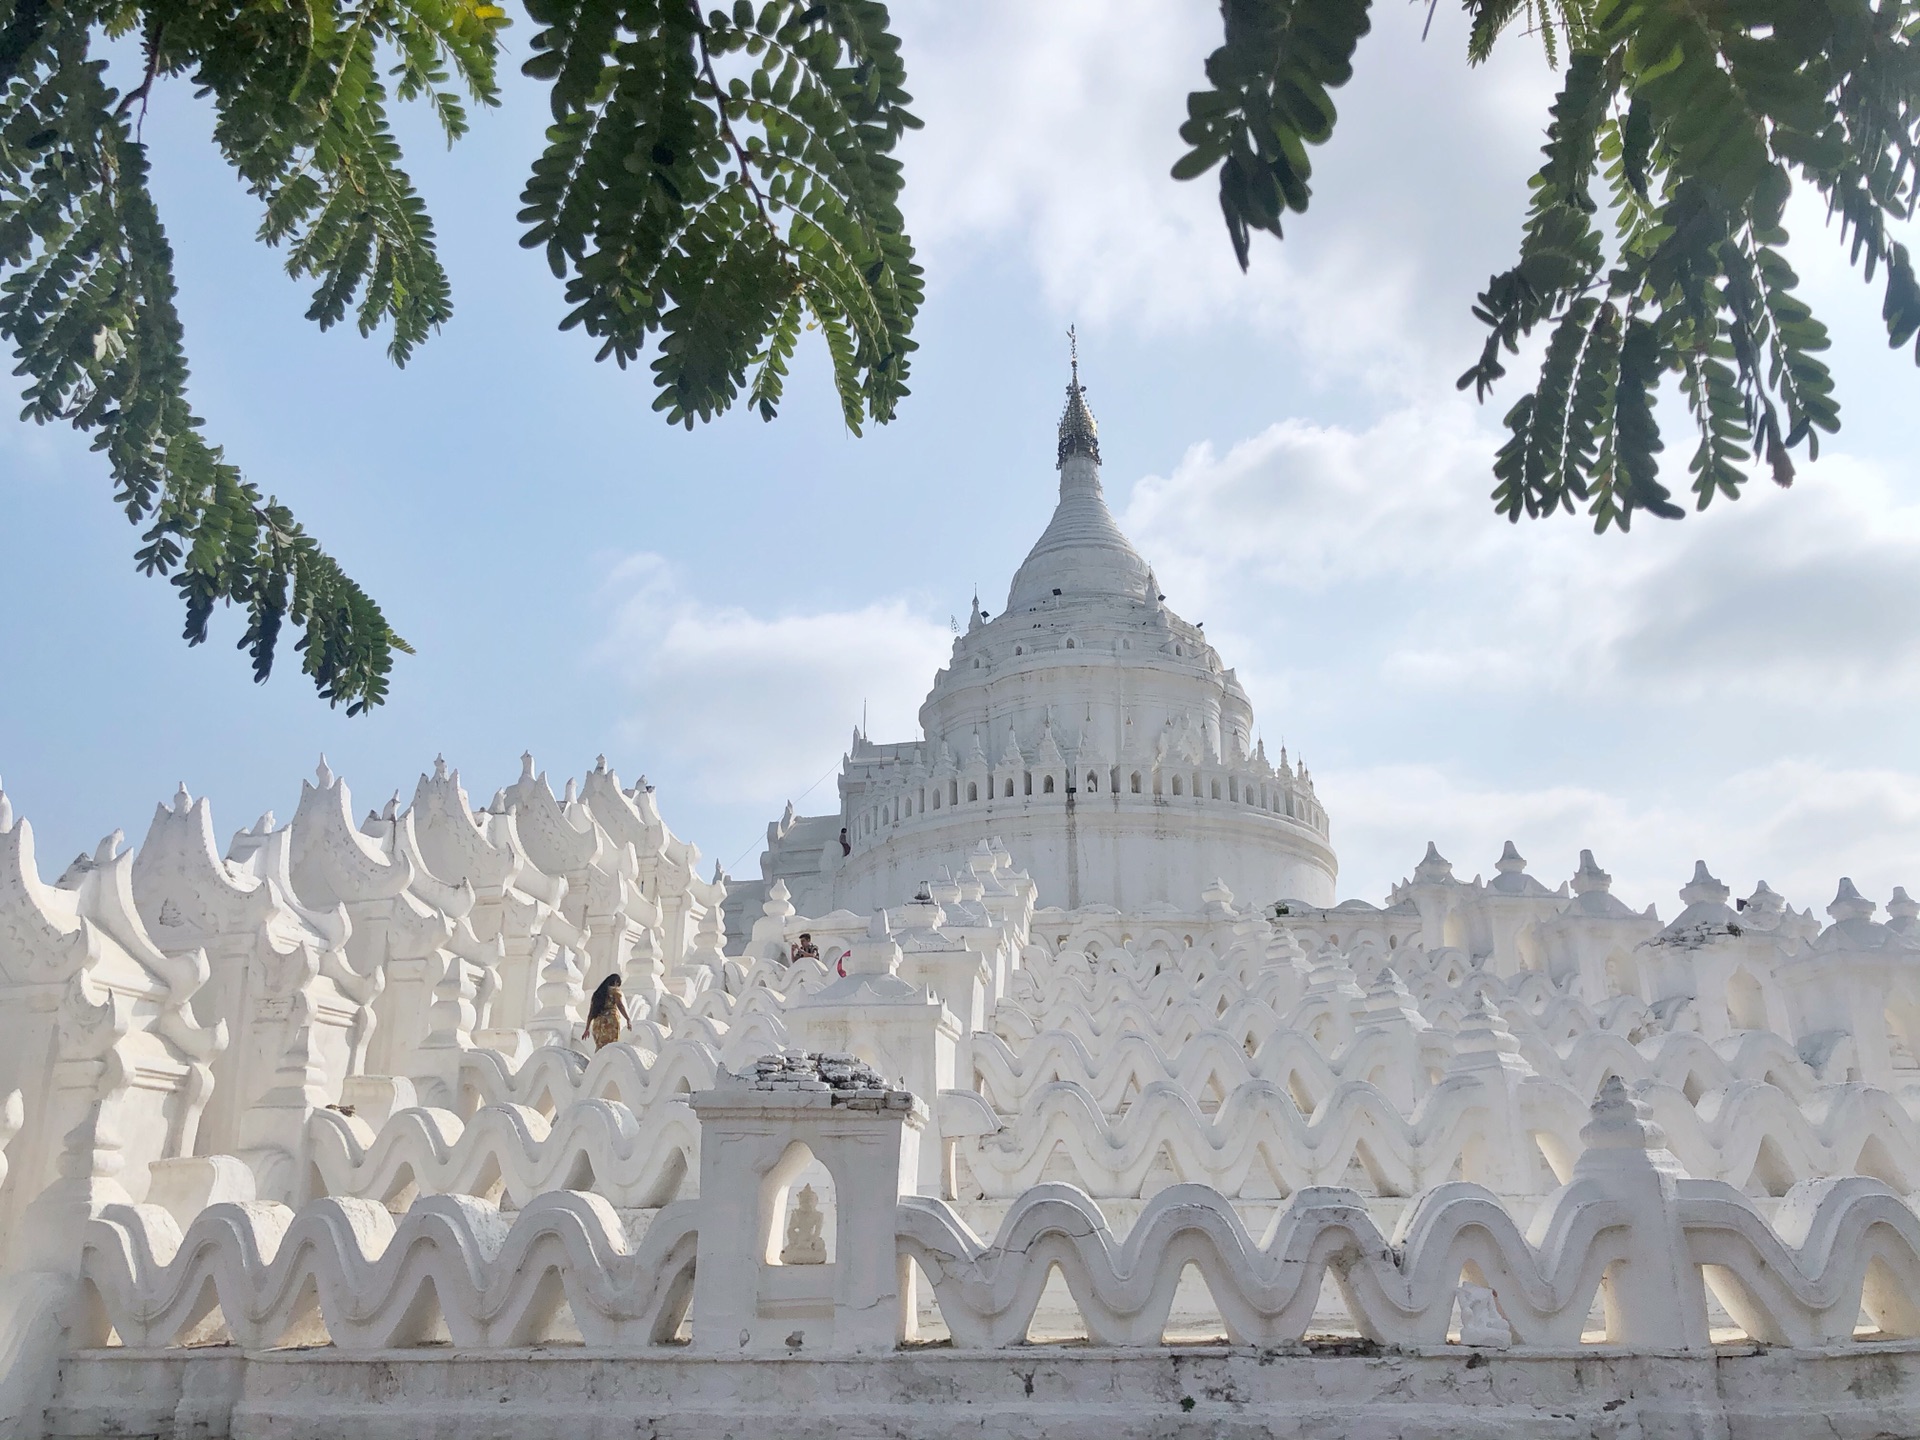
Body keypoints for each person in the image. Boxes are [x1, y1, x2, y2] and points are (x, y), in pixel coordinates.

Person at [580, 972, 631, 1050]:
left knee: (600, 1047)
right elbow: (620, 1005)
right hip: (610, 1021)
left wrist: (587, 1029)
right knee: (610, 1047)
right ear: (616, 982)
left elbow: (591, 1013)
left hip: (598, 1023)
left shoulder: (597, 994)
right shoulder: (614, 991)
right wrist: (627, 1019)